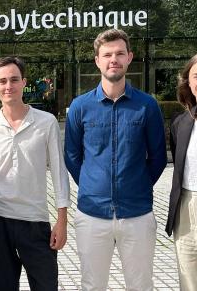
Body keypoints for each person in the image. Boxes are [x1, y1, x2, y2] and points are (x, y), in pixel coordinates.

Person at [64, 29, 167, 291]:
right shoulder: (80, 106)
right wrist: (92, 184)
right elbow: (72, 156)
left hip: (137, 214)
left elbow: (157, 158)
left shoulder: (147, 106)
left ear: (129, 57)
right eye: (107, 54)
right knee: (92, 285)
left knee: (141, 284)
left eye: (120, 53)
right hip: (92, 214)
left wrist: (138, 185)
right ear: (97, 60)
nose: (114, 59)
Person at [0, 56, 71, 291]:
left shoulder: (46, 122)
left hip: (35, 221)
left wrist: (62, 220)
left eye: (14, 80)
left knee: (46, 286)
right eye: (3, 81)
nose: (9, 86)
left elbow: (59, 172)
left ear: (24, 82)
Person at [166, 54, 197, 290]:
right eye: (196, 76)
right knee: (188, 279)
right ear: (188, 82)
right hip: (185, 208)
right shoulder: (181, 122)